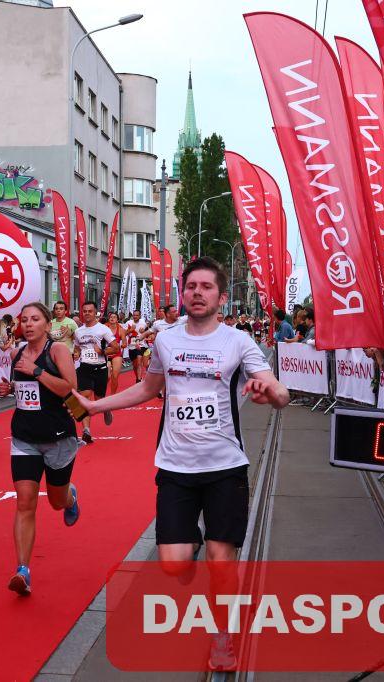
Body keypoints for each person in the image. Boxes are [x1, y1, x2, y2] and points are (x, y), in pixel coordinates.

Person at [70, 257, 290, 671]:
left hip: (225, 466)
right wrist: (96, 406)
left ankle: (222, 636)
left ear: (220, 297)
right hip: (175, 467)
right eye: (191, 286)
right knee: (173, 563)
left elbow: (279, 391)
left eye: (206, 287)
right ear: (182, 293)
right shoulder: (166, 341)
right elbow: (147, 388)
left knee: (221, 560)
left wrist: (271, 393)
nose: (197, 293)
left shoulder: (238, 341)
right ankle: (191, 545)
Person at [0, 302, 80, 596]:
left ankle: (70, 498)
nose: (29, 324)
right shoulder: (17, 353)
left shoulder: (57, 351)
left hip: (58, 437)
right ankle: (22, 570)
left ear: (47, 324)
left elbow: (70, 388)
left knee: (56, 501)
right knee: (25, 502)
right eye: (25, 320)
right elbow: (24, 390)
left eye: (35, 319)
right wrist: (9, 390)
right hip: (24, 437)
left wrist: (37, 371)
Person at [73, 300, 119, 444]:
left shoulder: (103, 329)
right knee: (85, 398)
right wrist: (76, 353)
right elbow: (77, 348)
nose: (87, 314)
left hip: (100, 369)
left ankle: (105, 408)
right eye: (85, 311)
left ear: (95, 313)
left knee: (99, 399)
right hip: (84, 368)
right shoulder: (78, 331)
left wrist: (103, 351)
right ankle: (86, 430)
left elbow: (116, 347)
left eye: (90, 311)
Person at [103, 311, 126, 396]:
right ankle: (102, 391)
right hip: (106, 354)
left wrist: (122, 345)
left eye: (114, 317)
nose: (112, 318)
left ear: (117, 320)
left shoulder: (121, 330)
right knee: (107, 376)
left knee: (115, 376)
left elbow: (125, 343)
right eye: (111, 317)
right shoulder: (104, 328)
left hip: (116, 354)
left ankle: (113, 395)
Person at [125, 310, 148, 382]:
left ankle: (139, 379)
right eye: (134, 315)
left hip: (141, 345)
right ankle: (137, 378)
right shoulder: (128, 323)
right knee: (135, 365)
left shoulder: (143, 323)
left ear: (140, 316)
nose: (135, 316)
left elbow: (147, 333)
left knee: (139, 362)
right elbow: (124, 333)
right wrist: (131, 330)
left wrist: (144, 332)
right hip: (131, 346)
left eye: (137, 315)